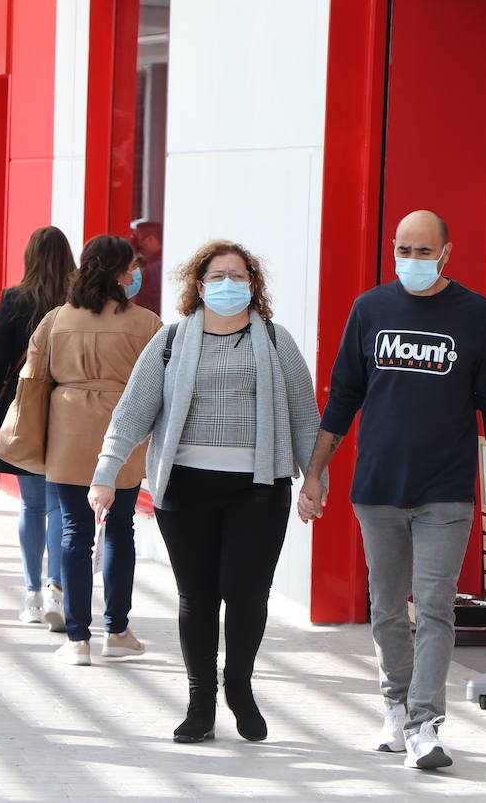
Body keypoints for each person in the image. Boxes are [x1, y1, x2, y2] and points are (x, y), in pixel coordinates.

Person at [298, 209, 486, 771]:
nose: (412, 261)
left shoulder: (475, 315)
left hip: (446, 489)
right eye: (404, 250)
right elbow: (343, 394)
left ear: (447, 253)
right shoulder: (370, 309)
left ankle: (426, 724)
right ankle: (394, 705)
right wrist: (315, 472)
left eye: (424, 251)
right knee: (388, 609)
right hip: (378, 487)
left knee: (435, 606)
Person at [92, 240, 321, 743]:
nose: (227, 285)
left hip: (259, 489)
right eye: (217, 277)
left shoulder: (277, 341)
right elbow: (132, 411)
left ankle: (238, 684)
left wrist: (314, 478)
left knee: (246, 594)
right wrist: (105, 473)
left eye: (237, 276)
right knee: (197, 596)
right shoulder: (171, 340)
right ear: (198, 286)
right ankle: (200, 701)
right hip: (186, 488)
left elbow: (305, 416)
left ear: (253, 286)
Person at [10, 235, 159, 665]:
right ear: (116, 273)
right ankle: (117, 628)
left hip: (68, 429)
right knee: (120, 528)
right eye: (129, 269)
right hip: (123, 430)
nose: (134, 276)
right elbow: (159, 385)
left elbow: (32, 381)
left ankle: (77, 639)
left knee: (74, 529)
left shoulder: (56, 319)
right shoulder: (146, 323)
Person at [0, 226, 76, 629]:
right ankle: (56, 589)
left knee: (32, 505)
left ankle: (31, 593)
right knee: (59, 506)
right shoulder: (77, 301)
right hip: (69, 410)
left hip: (25, 409)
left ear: (29, 257)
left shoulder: (15, 300)